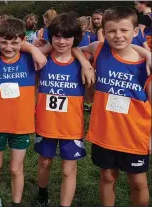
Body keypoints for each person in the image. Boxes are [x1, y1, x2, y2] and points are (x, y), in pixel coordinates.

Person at [81, 6, 151, 207]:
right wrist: (86, 64)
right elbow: (74, 47)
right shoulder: (100, 49)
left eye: (124, 30)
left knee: (138, 182)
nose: (118, 36)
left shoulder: (145, 65)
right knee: (108, 177)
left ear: (135, 32)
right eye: (111, 31)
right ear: (103, 31)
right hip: (105, 132)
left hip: (135, 135)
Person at [0, 18, 45, 207]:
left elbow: (56, 45)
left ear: (23, 40)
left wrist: (34, 49)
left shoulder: (30, 59)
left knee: (15, 168)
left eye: (14, 43)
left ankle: (16, 201)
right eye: (3, 42)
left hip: (21, 125)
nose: (9, 47)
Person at [34, 13, 86, 207]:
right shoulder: (42, 59)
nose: (61, 41)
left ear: (75, 39)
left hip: (71, 125)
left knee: (68, 170)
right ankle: (42, 193)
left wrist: (85, 62)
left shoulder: (83, 61)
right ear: (51, 36)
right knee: (44, 162)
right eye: (57, 36)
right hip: (46, 122)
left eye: (67, 37)